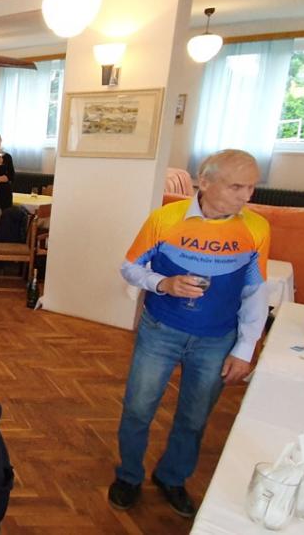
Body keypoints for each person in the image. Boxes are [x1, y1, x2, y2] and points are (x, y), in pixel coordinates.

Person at [110, 149, 269, 518]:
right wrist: (163, 283)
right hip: (159, 332)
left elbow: (256, 292)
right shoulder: (165, 219)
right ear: (206, 181)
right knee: (138, 409)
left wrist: (245, 348)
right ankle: (129, 476)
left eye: (251, 187)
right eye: (236, 187)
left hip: (217, 340)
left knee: (194, 418)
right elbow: (130, 267)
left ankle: (172, 477)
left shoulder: (257, 228)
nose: (246, 197)